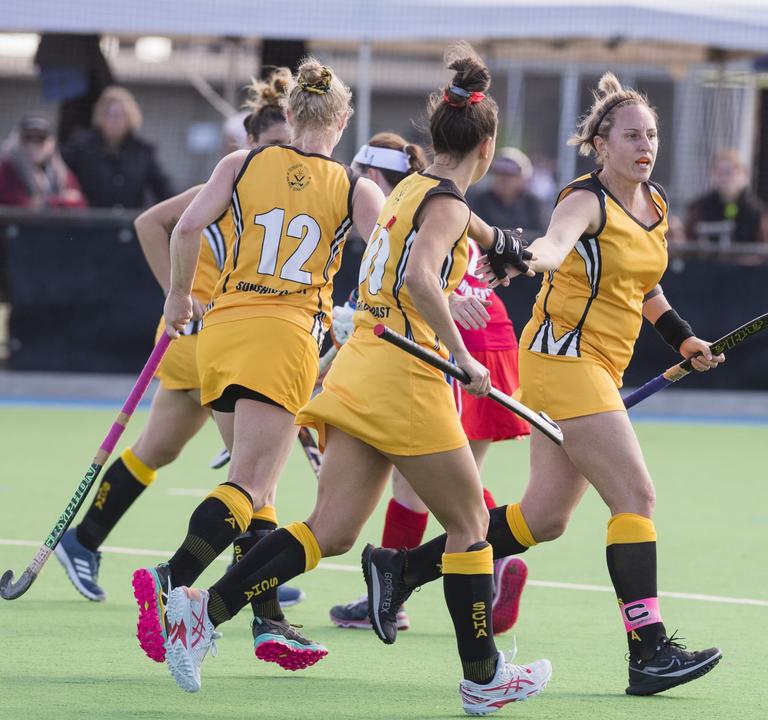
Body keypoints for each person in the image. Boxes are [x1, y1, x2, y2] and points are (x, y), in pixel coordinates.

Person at [157, 46, 553, 713]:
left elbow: (450, 218)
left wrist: (498, 244)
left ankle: (202, 613)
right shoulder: (441, 204)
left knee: (331, 530)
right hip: (408, 378)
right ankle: (484, 678)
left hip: (358, 369)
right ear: (487, 147)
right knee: (469, 529)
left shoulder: (408, 187)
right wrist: (464, 355)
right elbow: (419, 277)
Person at [368, 71, 725, 698]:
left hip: (601, 368)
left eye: (652, 135)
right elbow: (555, 248)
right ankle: (648, 650)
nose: (645, 146)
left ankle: (400, 570)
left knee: (545, 517)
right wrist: (522, 256)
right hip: (564, 361)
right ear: (601, 143)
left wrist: (683, 338)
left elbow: (645, 287)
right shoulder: (583, 200)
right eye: (632, 136)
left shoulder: (656, 204)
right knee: (636, 498)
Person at [131, 57, 384, 679]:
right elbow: (388, 266)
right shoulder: (356, 187)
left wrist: (177, 296)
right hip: (287, 335)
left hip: (222, 330)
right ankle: (172, 580)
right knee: (248, 485)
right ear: (344, 119)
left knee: (260, 485)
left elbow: (186, 226)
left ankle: (268, 620)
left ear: (290, 114)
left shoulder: (238, 164)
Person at [56, 70, 305, 609]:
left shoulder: (284, 192)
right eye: (275, 145)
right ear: (251, 144)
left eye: (291, 145)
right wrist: (178, 292)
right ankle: (260, 587)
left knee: (157, 449)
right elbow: (151, 223)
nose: (285, 155)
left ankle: (83, 539)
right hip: (208, 339)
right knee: (254, 476)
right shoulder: (231, 182)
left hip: (212, 340)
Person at [325, 133, 531, 636]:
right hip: (493, 337)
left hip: (467, 341)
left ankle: (471, 565)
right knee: (433, 478)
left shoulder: (395, 209)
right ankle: (400, 586)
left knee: (426, 480)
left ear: (374, 178)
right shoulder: (433, 194)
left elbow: (412, 284)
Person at [61, 86, 173, 208]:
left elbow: (163, 189)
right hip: (90, 222)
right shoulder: (80, 147)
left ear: (130, 118)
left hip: (129, 222)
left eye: (121, 115)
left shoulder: (143, 151)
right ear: (100, 116)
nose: (115, 120)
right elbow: (60, 173)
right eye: (110, 114)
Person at [684, 149, 768, 246]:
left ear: (743, 174)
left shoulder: (756, 211)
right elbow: (687, 242)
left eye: (729, 173)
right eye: (719, 172)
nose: (724, 178)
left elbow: (765, 249)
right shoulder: (699, 208)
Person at [0, 113, 86, 209]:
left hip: (55, 224)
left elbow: (80, 204)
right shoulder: (8, 168)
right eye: (28, 137)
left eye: (41, 138)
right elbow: (21, 206)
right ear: (18, 140)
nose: (33, 144)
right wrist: (61, 200)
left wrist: (44, 202)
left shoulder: (60, 169)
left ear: (52, 142)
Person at [468, 146, 548, 236]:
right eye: (499, 173)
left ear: (522, 178)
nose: (503, 179)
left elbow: (541, 234)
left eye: (510, 174)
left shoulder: (533, 204)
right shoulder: (479, 201)